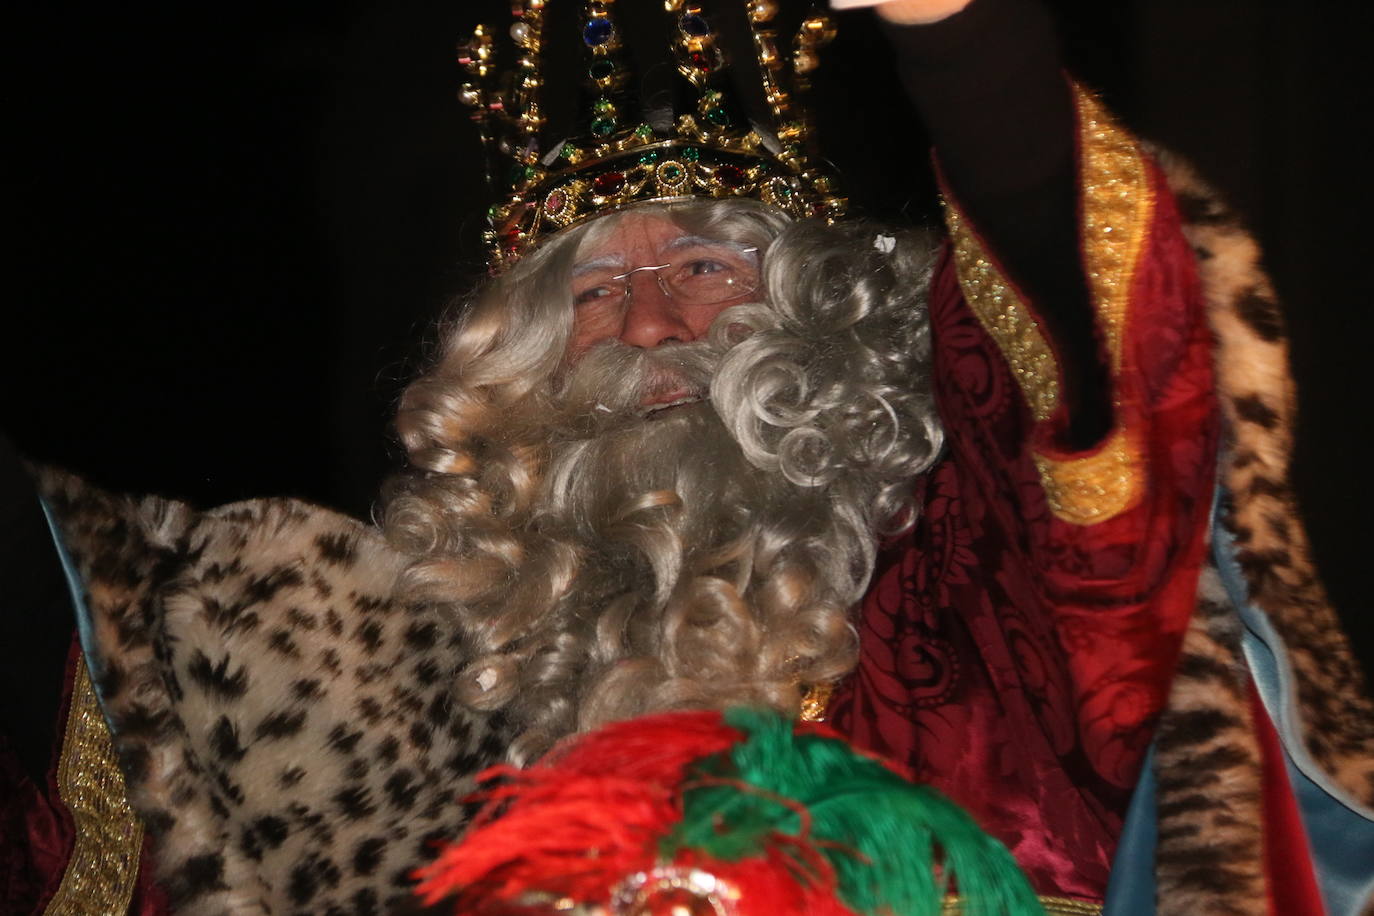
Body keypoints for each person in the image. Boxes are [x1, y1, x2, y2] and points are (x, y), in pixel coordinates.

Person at [4, 0, 1372, 913]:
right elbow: (103, 603)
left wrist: (959, 36)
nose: (647, 323)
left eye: (704, 266)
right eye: (587, 295)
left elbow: (1088, 344)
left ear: (823, 314)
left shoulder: (973, 585)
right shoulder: (403, 675)